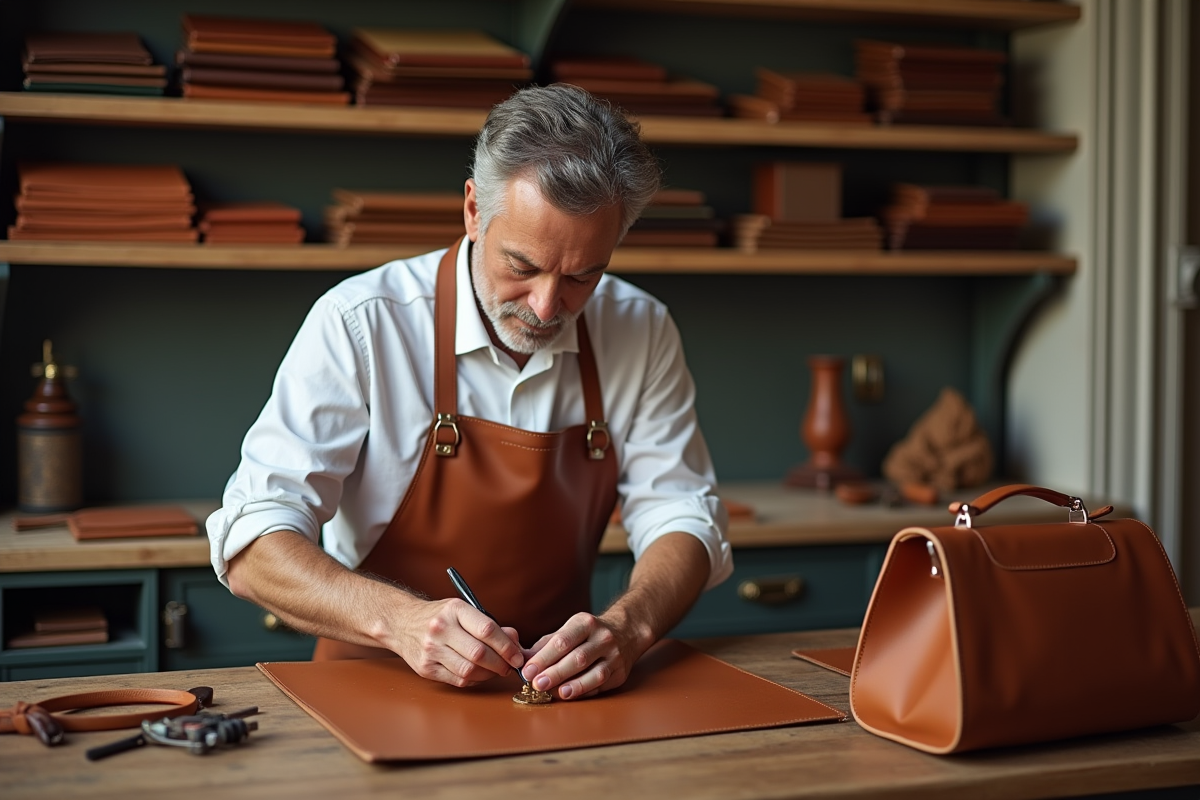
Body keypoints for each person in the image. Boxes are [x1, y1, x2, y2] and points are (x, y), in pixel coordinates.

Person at [206, 84, 733, 702]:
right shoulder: (362, 321)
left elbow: (684, 517)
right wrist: (400, 622)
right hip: (370, 682)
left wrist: (629, 627)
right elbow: (253, 540)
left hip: (556, 690)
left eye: (582, 276)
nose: (545, 306)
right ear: (472, 211)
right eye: (522, 266)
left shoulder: (640, 329)